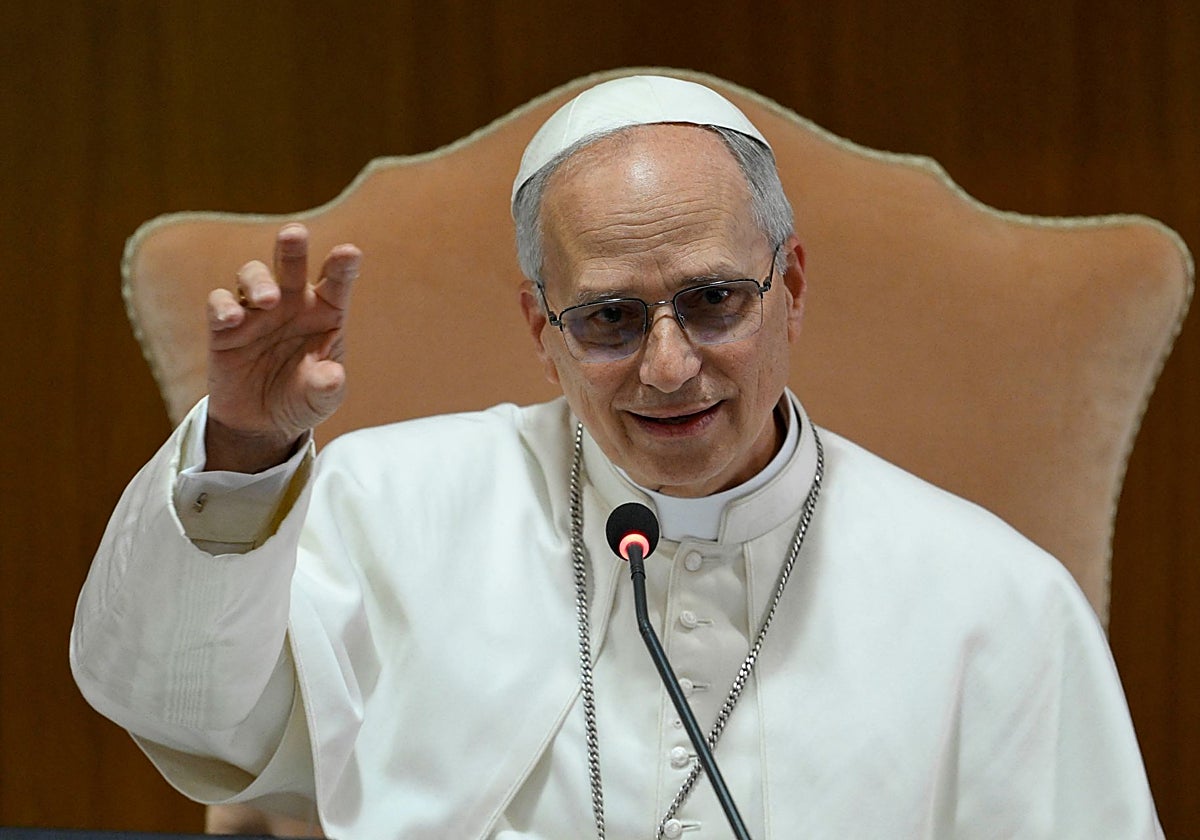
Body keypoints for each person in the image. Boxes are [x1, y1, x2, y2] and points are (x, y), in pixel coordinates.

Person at [71, 75, 1163, 839]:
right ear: (540, 332)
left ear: (790, 287)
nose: (669, 367)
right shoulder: (389, 509)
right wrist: (249, 448)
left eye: (714, 301)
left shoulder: (996, 600)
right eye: (608, 319)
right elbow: (180, 708)